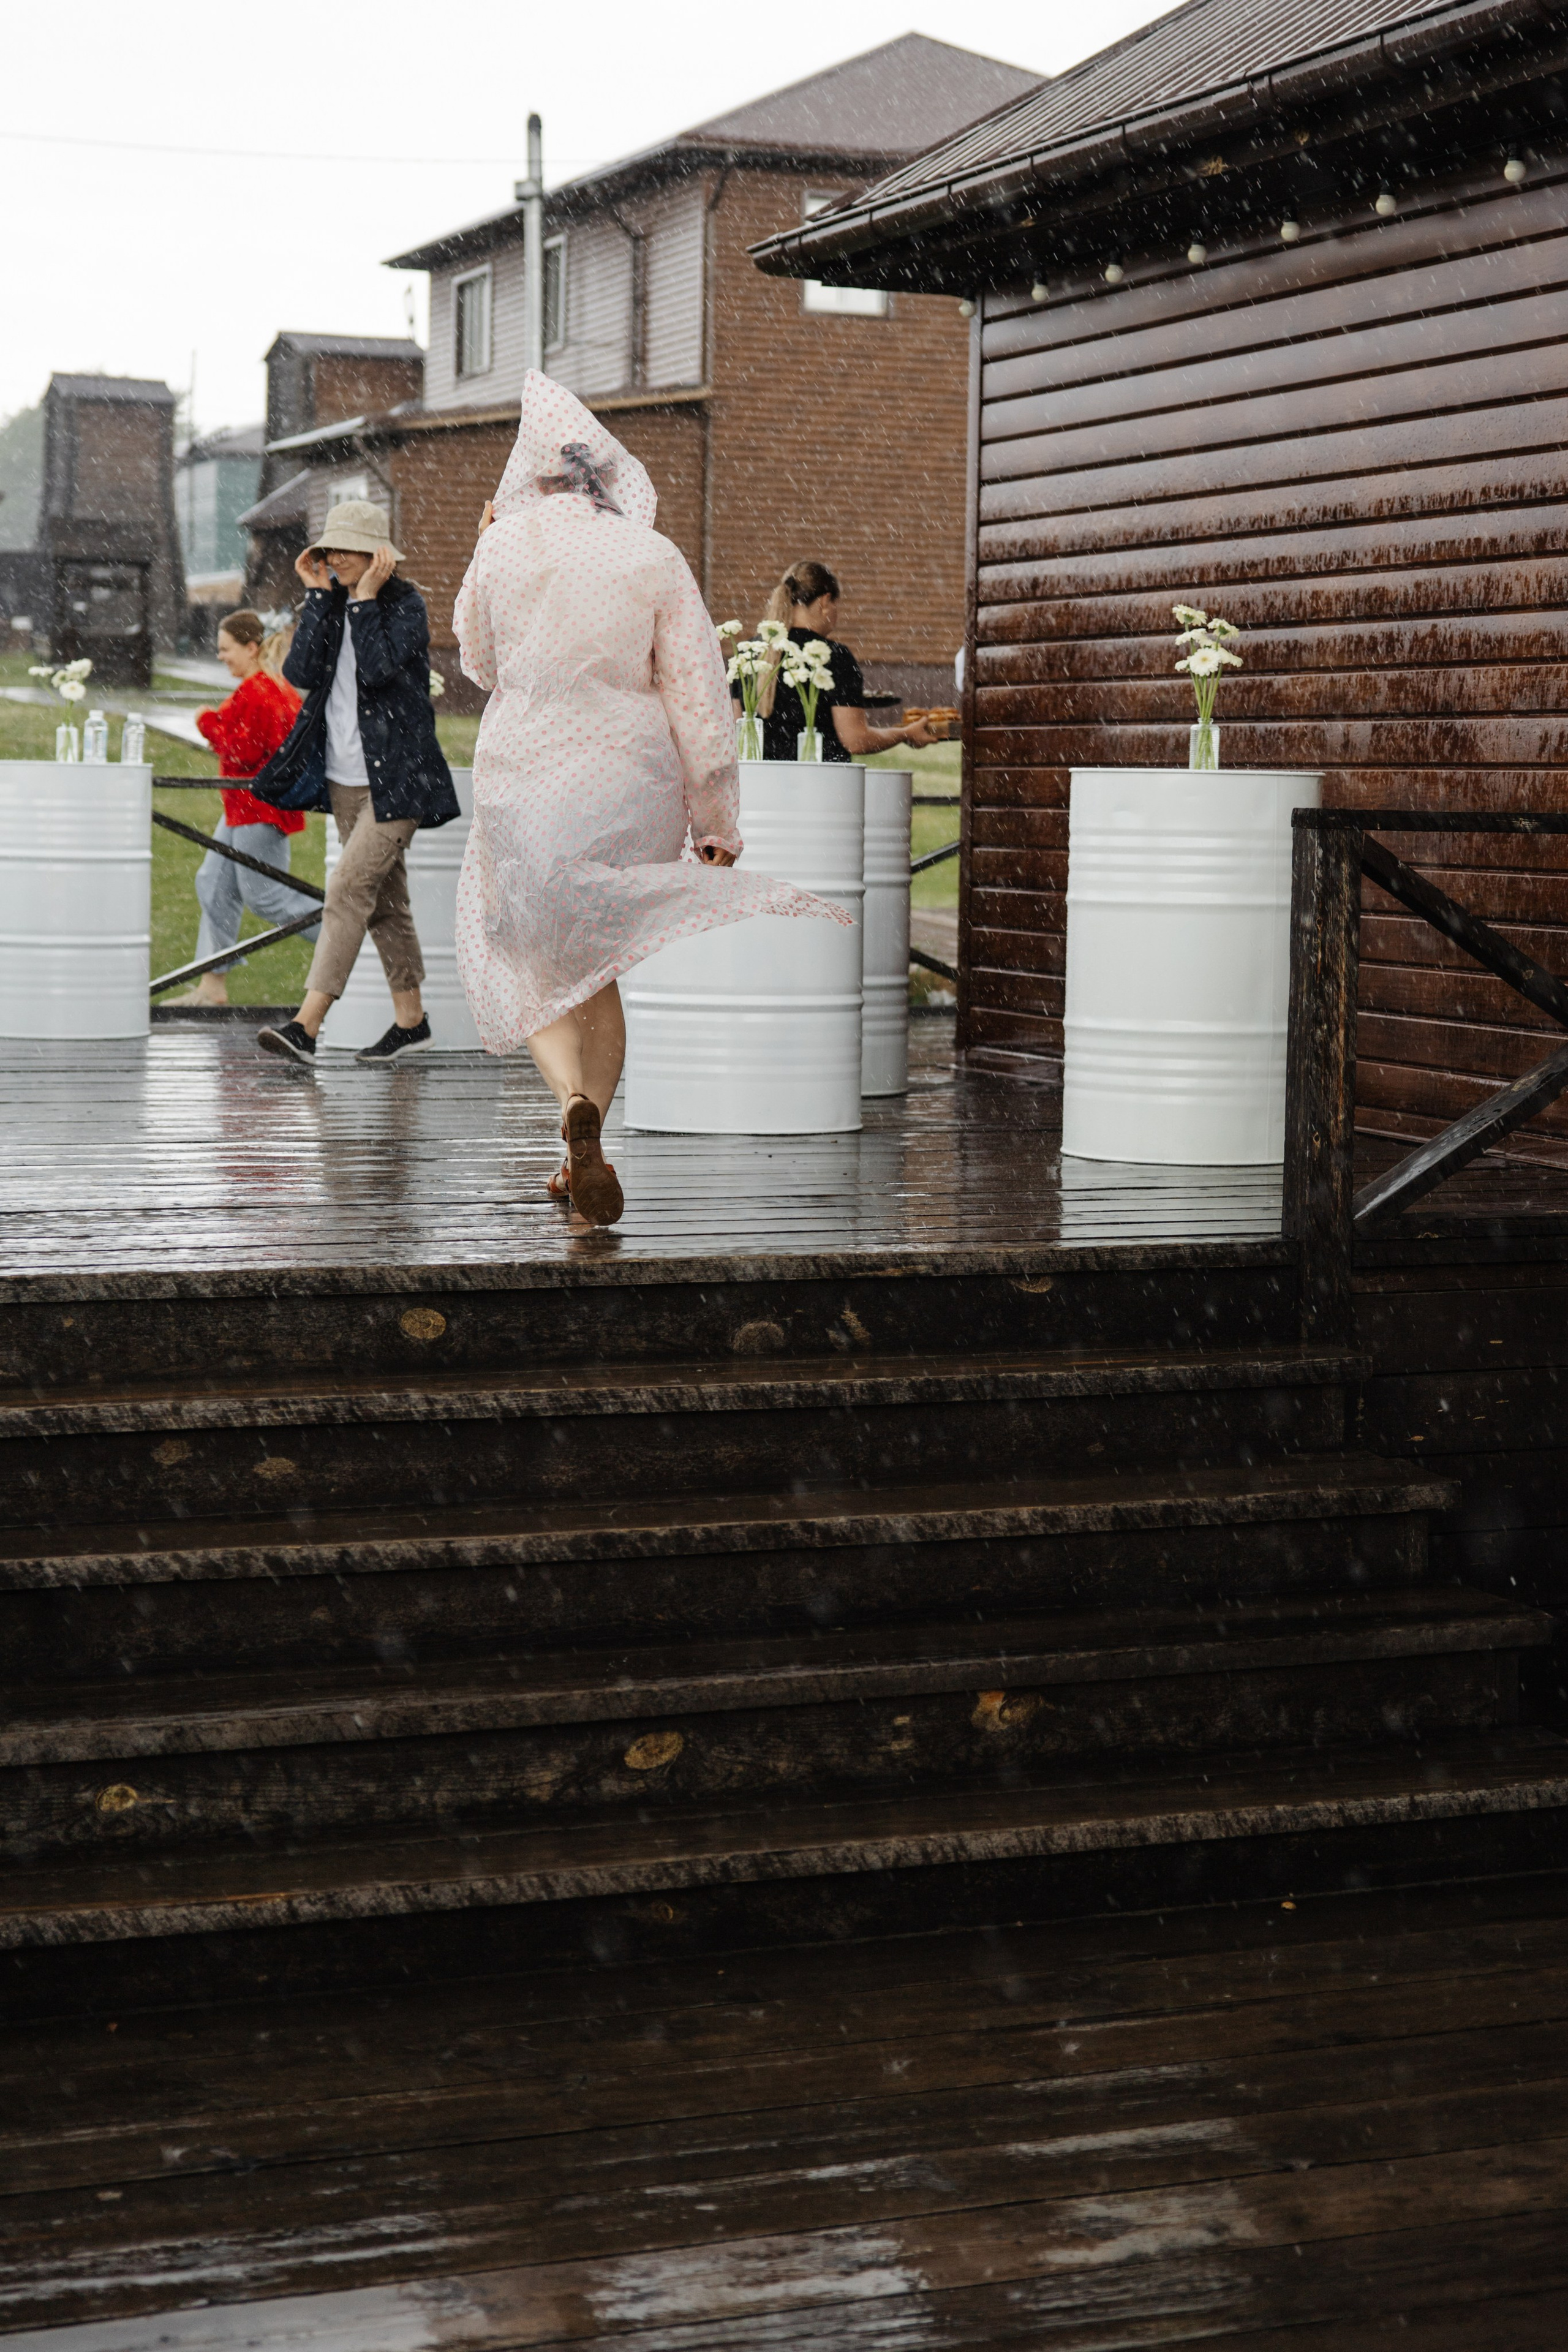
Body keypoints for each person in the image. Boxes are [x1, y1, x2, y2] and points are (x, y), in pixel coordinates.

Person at [453, 370, 847, 1226]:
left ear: (534, 477)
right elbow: (700, 699)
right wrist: (716, 820)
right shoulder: (653, 555)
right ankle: (588, 1136)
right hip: (625, 775)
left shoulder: (502, 546)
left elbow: (478, 663)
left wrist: (486, 549)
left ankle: (569, 1109)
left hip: (524, 766)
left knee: (536, 961)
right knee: (600, 958)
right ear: (609, 478)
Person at [248, 499, 459, 1067]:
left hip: (398, 778)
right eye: (329, 549)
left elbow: (378, 671)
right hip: (344, 780)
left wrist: (364, 602)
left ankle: (306, 1025)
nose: (334, 557)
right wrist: (320, 596)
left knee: (346, 889)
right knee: (386, 903)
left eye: (345, 549)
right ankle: (411, 1023)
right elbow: (298, 675)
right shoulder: (329, 601)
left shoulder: (405, 606)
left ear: (376, 556)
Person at [170, 611, 315, 1008]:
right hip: (244, 807)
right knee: (214, 884)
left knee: (268, 898)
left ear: (251, 648)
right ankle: (212, 986)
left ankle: (352, 937)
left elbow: (241, 749)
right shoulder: (269, 688)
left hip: (260, 808)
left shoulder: (260, 691)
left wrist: (205, 721)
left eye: (225, 649)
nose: (220, 657)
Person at [755, 560, 937, 762]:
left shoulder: (752, 654)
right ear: (825, 602)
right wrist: (905, 734)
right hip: (823, 785)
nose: (836, 613)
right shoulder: (833, 656)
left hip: (759, 784)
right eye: (836, 605)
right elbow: (856, 740)